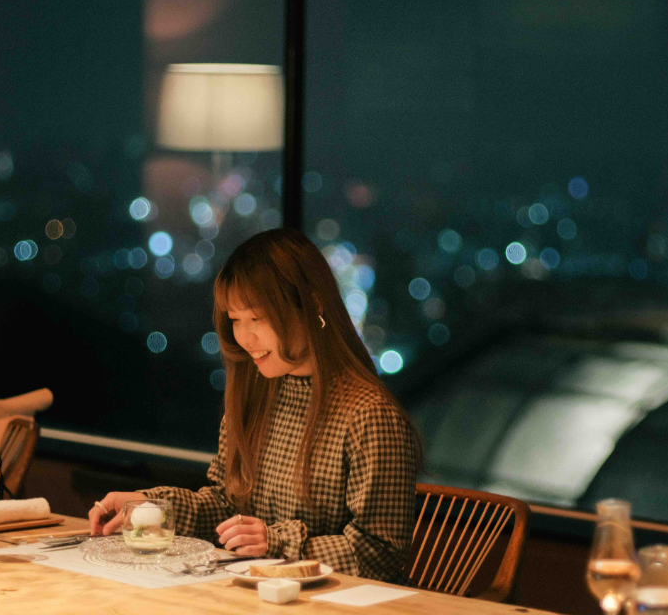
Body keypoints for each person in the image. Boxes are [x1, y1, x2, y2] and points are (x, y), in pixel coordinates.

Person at [89, 227, 421, 584]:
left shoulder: (368, 415)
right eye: (235, 320)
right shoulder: (256, 393)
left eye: (257, 318)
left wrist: (276, 542)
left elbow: (381, 553)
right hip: (265, 597)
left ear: (313, 305)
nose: (245, 338)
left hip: (343, 613)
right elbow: (224, 505)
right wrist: (147, 505)